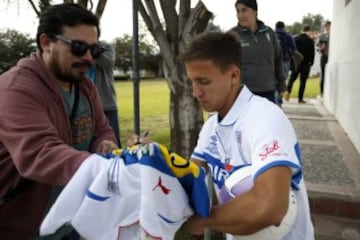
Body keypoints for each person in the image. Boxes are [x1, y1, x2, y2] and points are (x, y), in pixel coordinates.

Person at [179, 31, 314, 239]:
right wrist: (151, 160)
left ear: (234, 75)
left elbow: (270, 207)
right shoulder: (211, 127)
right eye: (192, 82)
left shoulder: (266, 118)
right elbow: (188, 176)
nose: (195, 92)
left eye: (203, 82)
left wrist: (208, 220)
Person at [0, 3, 118, 239]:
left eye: (94, 51)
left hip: (72, 222)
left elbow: (102, 131)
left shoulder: (85, 85)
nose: (88, 58)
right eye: (78, 47)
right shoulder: (15, 89)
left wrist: (106, 146)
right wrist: (105, 169)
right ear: (46, 42)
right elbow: (41, 153)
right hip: (23, 228)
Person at [230, 0, 285, 103]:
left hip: (268, 92)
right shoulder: (232, 35)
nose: (240, 15)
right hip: (242, 94)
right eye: (238, 11)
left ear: (255, 11)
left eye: (244, 10)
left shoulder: (269, 33)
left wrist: (281, 85)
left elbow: (278, 59)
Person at [90, 41, 122, 147]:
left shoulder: (106, 47)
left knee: (113, 144)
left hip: (106, 106)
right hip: (83, 108)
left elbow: (108, 64)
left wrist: (96, 51)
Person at [284, 25, 315, 104]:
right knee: (303, 82)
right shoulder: (310, 40)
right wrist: (311, 62)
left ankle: (288, 92)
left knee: (292, 79)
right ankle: (300, 99)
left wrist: (291, 61)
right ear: (309, 30)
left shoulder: (295, 39)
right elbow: (312, 53)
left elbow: (291, 51)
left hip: (296, 63)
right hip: (306, 64)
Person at [317, 20, 331, 97]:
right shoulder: (322, 36)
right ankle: (322, 92)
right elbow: (317, 46)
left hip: (332, 56)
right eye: (326, 25)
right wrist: (320, 49)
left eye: (328, 25)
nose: (327, 27)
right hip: (324, 56)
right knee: (323, 74)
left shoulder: (335, 35)